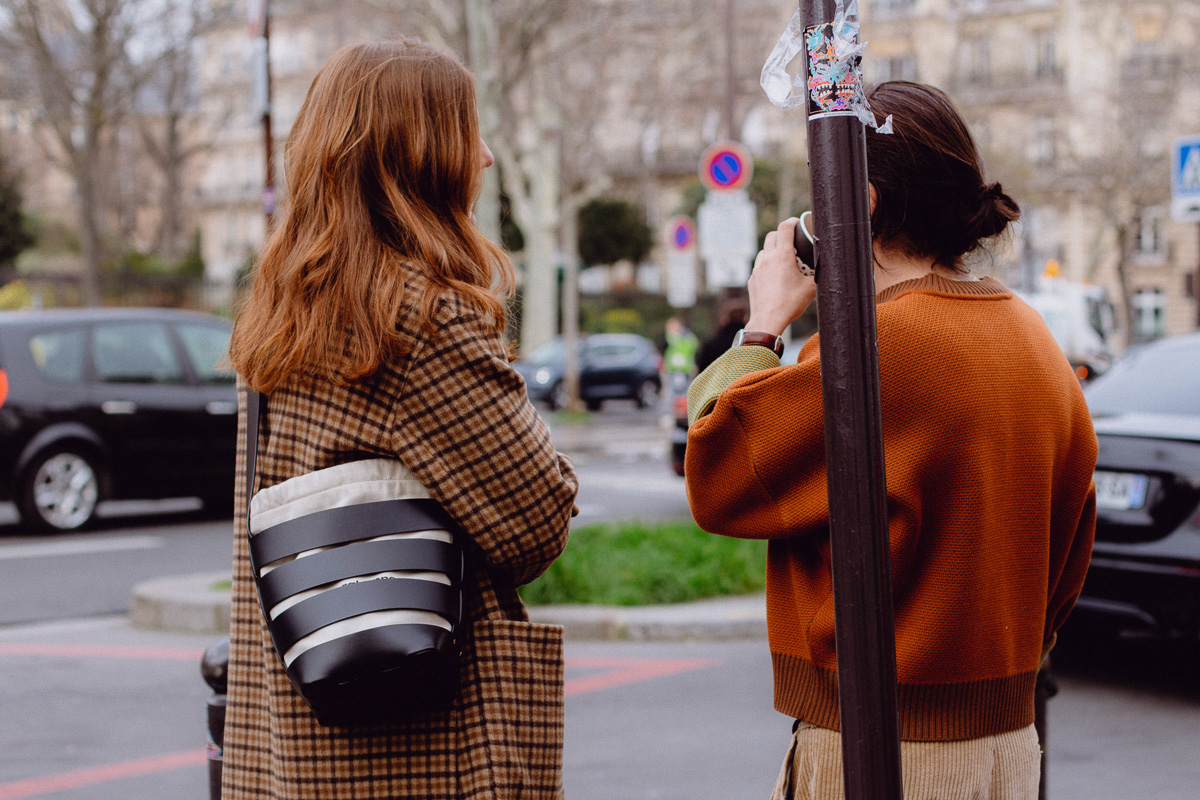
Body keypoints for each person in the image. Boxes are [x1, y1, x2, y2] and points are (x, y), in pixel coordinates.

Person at [684, 81, 1097, 800]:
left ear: (861, 200)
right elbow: (1074, 538)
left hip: (885, 745)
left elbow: (717, 474)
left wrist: (763, 325)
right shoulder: (1033, 336)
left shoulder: (875, 345)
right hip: (1010, 740)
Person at [224, 41, 578, 800]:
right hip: (421, 746)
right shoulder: (420, 318)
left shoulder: (284, 311)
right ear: (420, 155)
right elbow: (538, 522)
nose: (483, 157)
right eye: (467, 133)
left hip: (299, 741)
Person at [694, 301, 748, 374]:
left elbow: (702, 369)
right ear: (745, 318)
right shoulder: (751, 342)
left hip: (717, 383)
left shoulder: (712, 344)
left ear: (726, 319)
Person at [663, 315, 700, 394]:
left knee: (685, 393)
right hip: (673, 369)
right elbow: (667, 352)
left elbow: (691, 349)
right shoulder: (669, 338)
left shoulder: (687, 337)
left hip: (685, 369)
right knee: (674, 393)